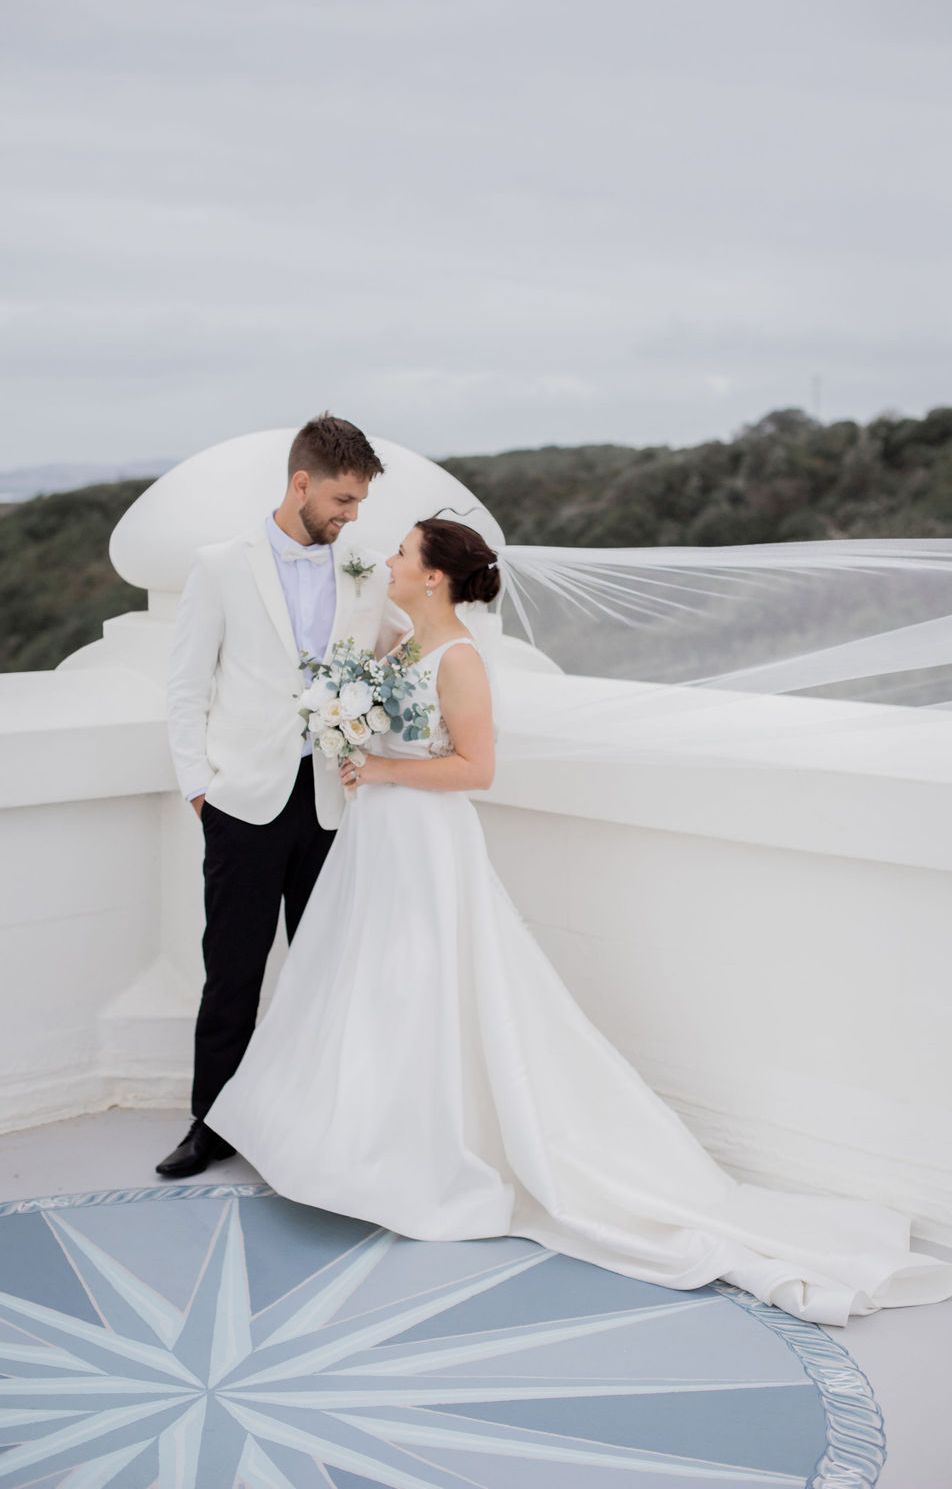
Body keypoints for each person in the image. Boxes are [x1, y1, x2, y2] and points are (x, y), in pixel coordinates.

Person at [206, 516, 952, 1324]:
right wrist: (352, 736)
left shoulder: (458, 657)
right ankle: (355, 1145)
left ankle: (420, 1160)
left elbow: (477, 767)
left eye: (402, 552)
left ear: (434, 576)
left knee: (424, 987)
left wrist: (382, 765)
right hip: (377, 837)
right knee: (367, 984)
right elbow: (369, 699)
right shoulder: (403, 643)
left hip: (424, 843)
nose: (389, 560)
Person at [156, 413, 401, 1178]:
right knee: (233, 969)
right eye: (343, 499)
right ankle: (211, 1124)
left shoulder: (363, 568)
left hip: (332, 799)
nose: (352, 516)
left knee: (326, 969)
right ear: (302, 484)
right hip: (243, 803)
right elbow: (186, 685)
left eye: (358, 503)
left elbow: (403, 643)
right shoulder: (219, 566)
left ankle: (317, 1118)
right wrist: (201, 791)